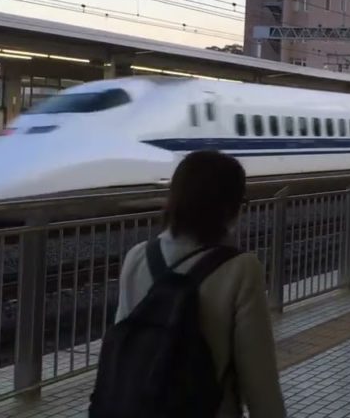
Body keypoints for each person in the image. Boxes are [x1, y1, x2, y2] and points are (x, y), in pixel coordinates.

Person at [113, 151, 286, 417]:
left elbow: (121, 351)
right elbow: (260, 379)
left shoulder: (136, 257)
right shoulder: (241, 269)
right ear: (227, 207)